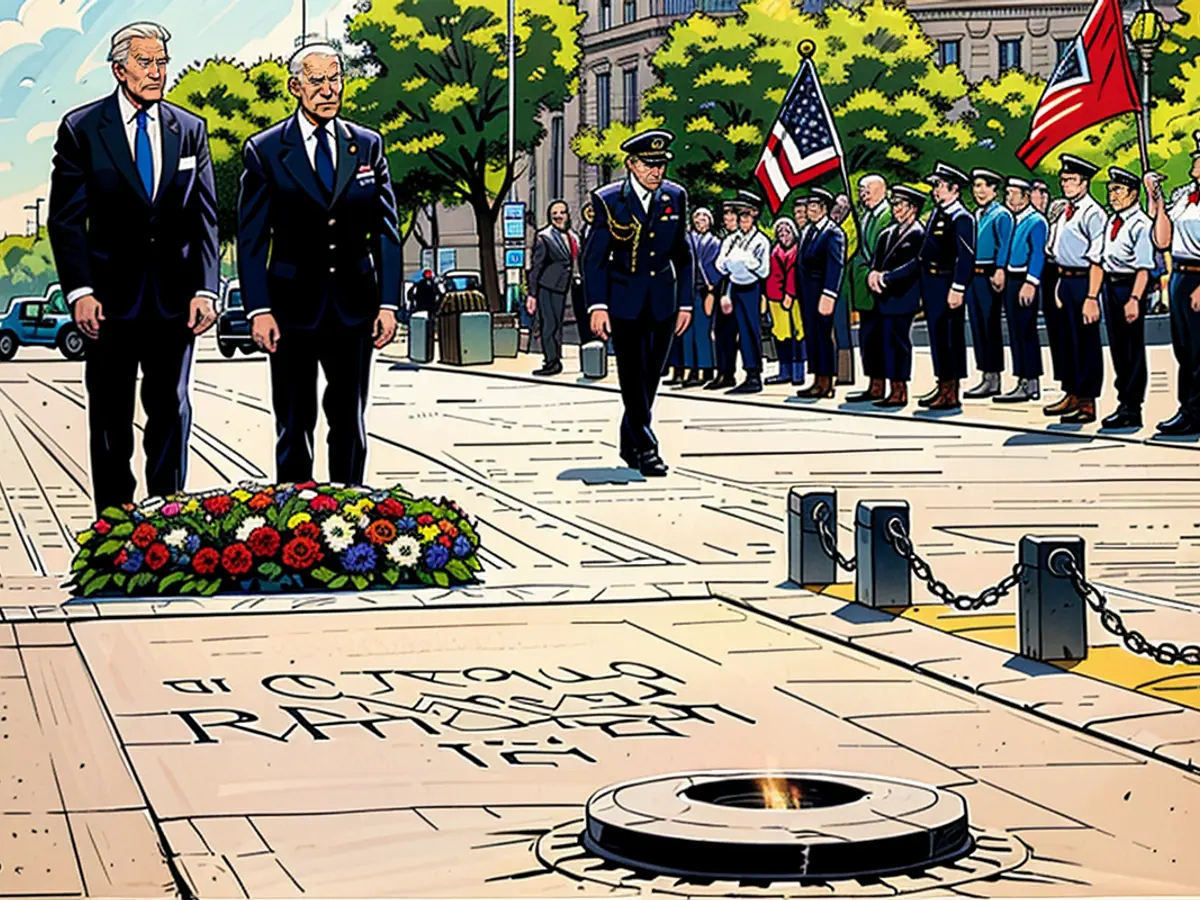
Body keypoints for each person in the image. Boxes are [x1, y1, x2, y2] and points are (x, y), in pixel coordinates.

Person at [47, 21, 219, 516]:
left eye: (163, 62)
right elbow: (65, 221)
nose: (158, 72)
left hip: (174, 304)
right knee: (110, 417)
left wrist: (205, 289)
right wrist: (80, 290)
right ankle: (113, 528)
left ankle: (167, 523)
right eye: (147, 63)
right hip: (108, 304)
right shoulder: (82, 128)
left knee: (170, 411)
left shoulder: (189, 130)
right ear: (119, 69)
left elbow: (204, 218)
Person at [238, 42, 401, 485]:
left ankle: (350, 516)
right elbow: (252, 239)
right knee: (295, 423)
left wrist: (389, 303)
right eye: (316, 81)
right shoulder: (266, 150)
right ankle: (295, 524)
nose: (328, 90)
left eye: (335, 79)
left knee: (350, 420)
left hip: (354, 306)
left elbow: (386, 230)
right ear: (295, 87)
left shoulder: (367, 145)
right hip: (290, 309)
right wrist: (259, 309)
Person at [582, 129, 693, 477]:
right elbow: (594, 259)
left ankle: (629, 439)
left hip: (662, 298)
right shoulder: (608, 199)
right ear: (631, 164)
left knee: (652, 376)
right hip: (623, 299)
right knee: (631, 374)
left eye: (660, 165)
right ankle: (646, 448)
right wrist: (597, 305)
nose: (655, 172)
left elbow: (684, 254)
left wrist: (686, 303)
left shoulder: (675, 196)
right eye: (648, 164)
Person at [1088, 167, 1154, 430]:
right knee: (1117, 347)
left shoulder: (1141, 224)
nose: (1112, 195)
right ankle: (1123, 401)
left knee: (1131, 349)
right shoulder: (1110, 223)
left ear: (1133, 194)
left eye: (1118, 190)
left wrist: (1135, 298)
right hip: (1110, 286)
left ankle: (1132, 406)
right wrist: (1092, 295)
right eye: (1111, 189)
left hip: (1129, 287)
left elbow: (1144, 267)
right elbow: (1099, 260)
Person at [1044, 155, 1106, 425]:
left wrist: (1092, 297)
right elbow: (1056, 248)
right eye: (1064, 179)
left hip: (1084, 280)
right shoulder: (1064, 211)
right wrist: (1058, 284)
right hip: (1064, 279)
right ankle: (1071, 392)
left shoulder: (1094, 213)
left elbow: (1097, 258)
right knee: (1065, 340)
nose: (1065, 184)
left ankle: (1087, 402)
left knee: (1085, 342)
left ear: (1084, 182)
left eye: (1071, 180)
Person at [1146, 144, 1200, 436]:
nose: (1195, 159)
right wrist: (1158, 200)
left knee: (1199, 352)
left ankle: (1195, 412)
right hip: (1181, 274)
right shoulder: (1183, 195)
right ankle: (1188, 409)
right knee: (1184, 350)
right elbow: (1162, 240)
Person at [917, 162, 975, 411]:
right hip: (931, 281)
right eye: (935, 186)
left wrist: (959, 286)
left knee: (951, 337)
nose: (935, 191)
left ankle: (951, 390)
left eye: (940, 186)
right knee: (937, 336)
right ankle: (942, 382)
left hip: (947, 280)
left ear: (954, 189)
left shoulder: (961, 217)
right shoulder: (937, 214)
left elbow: (966, 256)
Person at [867, 185, 926, 408]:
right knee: (885, 341)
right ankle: (890, 386)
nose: (895, 209)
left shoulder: (919, 234)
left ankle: (900, 389)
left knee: (899, 342)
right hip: (884, 296)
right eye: (894, 204)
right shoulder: (887, 233)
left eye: (900, 205)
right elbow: (877, 260)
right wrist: (874, 274)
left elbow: (916, 265)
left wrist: (887, 278)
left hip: (904, 294)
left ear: (912, 208)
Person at [994, 177, 1048, 403]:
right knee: (1015, 330)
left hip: (1024, 279)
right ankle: (1021, 379)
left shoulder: (1036, 221)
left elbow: (1038, 253)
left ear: (1025, 196)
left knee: (1025, 331)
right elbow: (1005, 248)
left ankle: (1031, 381)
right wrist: (1000, 269)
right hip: (1011, 278)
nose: (1009, 198)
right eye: (1007, 194)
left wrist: (1031, 281)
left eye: (1013, 194)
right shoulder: (1013, 220)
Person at [714, 191, 771, 394]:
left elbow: (764, 270)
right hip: (734, 286)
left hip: (750, 288)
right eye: (740, 216)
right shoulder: (731, 239)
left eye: (746, 216)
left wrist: (745, 260)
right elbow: (721, 265)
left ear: (754, 216)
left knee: (749, 332)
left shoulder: (761, 241)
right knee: (727, 331)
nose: (742, 220)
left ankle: (753, 374)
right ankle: (727, 372)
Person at [964, 168, 1013, 399]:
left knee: (990, 325)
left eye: (984, 186)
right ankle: (985, 374)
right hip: (974, 275)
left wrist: (1001, 268)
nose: (979, 191)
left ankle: (994, 377)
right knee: (977, 326)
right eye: (976, 186)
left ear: (995, 189)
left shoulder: (1001, 215)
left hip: (990, 273)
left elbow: (1004, 244)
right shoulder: (977, 214)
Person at [796, 187, 847, 399]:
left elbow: (836, 266)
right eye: (808, 206)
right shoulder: (809, 230)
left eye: (814, 206)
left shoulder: (833, 232)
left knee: (824, 336)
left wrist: (829, 293)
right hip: (807, 292)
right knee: (812, 335)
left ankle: (827, 380)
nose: (810, 210)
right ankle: (816, 377)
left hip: (821, 291)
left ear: (824, 208)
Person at [847, 174, 892, 402]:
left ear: (880, 190)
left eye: (867, 189)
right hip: (864, 288)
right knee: (868, 338)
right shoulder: (865, 216)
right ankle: (874, 383)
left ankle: (886, 385)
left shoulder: (888, 215)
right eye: (861, 190)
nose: (863, 194)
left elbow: (883, 250)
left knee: (884, 338)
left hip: (882, 286)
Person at [526, 199, 581, 377]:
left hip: (563, 286)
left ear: (567, 215)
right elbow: (536, 266)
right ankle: (551, 361)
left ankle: (556, 359)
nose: (558, 216)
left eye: (561, 212)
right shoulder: (544, 236)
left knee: (557, 325)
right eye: (554, 213)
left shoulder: (573, 237)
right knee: (549, 325)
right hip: (547, 286)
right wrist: (532, 294)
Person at [706, 200, 742, 391]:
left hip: (735, 290)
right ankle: (723, 372)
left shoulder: (741, 239)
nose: (727, 219)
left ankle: (729, 372)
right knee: (721, 333)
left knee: (732, 335)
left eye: (731, 215)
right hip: (722, 289)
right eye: (726, 215)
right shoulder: (726, 239)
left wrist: (727, 294)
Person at [764, 217, 805, 386]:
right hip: (774, 298)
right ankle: (784, 371)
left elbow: (793, 273)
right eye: (780, 232)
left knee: (797, 335)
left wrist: (789, 294)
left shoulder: (797, 250)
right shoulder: (775, 250)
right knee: (781, 336)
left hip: (791, 299)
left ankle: (798, 373)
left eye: (787, 231)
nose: (783, 235)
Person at [683, 207, 720, 387]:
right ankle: (691, 369)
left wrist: (712, 284)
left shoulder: (714, 242)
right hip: (688, 289)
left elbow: (717, 266)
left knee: (703, 331)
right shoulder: (688, 239)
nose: (700, 221)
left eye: (704, 218)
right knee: (687, 332)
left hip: (705, 289)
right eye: (697, 218)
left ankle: (706, 368)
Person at [830, 192, 856, 384]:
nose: (837, 212)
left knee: (842, 330)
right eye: (836, 208)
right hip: (827, 285)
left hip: (843, 286)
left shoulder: (850, 228)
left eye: (842, 208)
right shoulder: (830, 228)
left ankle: (845, 373)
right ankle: (830, 370)